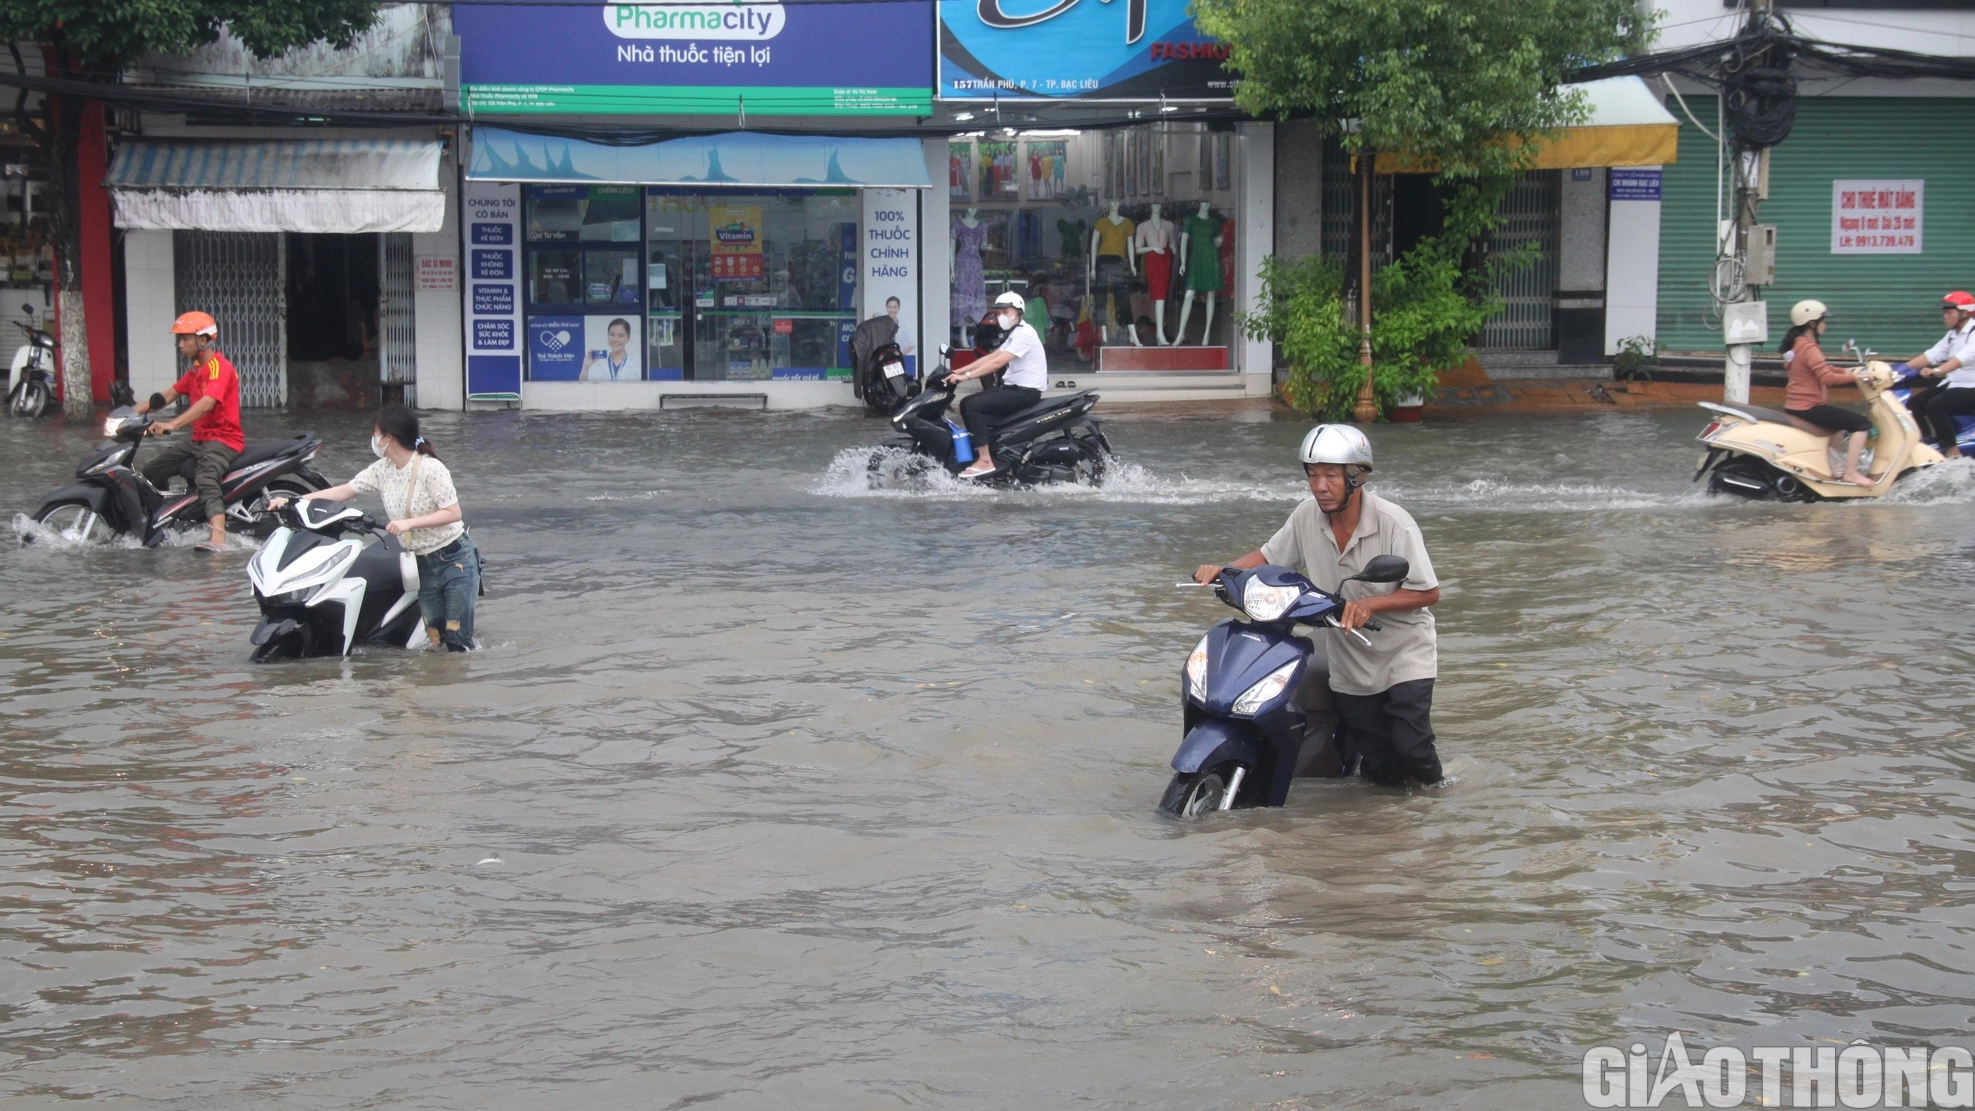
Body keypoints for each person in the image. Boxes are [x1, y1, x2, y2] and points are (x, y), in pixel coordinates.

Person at [1192, 426, 1445, 787]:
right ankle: (1389, 830)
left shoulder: (1395, 524)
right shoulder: (1305, 516)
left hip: (1403, 654)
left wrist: (1371, 604)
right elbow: (1269, 556)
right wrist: (1225, 570)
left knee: (1413, 748)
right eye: (1313, 475)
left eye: (1330, 475)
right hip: (1349, 656)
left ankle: (1436, 806)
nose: (1319, 486)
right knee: (1378, 765)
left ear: (1356, 477)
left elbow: (1428, 592)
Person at [278, 406, 480, 652]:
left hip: (454, 557)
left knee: (458, 640)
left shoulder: (431, 469)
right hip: (421, 564)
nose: (374, 439)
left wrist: (409, 523)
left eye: (376, 433)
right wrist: (296, 500)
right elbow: (345, 490)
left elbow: (453, 513)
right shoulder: (382, 469)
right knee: (435, 638)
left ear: (389, 437)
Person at [133, 311, 243, 553]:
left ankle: (218, 539)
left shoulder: (219, 368)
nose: (180, 345)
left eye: (186, 339)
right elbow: (168, 395)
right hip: (199, 440)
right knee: (149, 472)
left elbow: (207, 403)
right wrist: (128, 415)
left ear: (203, 341)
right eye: (179, 339)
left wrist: (172, 424)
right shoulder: (195, 369)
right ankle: (159, 520)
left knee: (206, 478)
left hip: (223, 440)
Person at [947, 290, 1046, 479]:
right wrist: (956, 371)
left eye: (1006, 312)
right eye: (999, 313)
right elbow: (991, 356)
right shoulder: (1015, 333)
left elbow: (996, 364)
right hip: (1014, 388)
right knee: (967, 403)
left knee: (973, 406)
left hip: (1025, 392)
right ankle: (991, 452)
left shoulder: (1024, 334)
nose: (1002, 316)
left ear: (1018, 312)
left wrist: (965, 377)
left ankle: (985, 460)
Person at [1780, 300, 1876, 487]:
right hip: (1808, 407)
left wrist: (1846, 371)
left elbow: (1820, 368)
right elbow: (1827, 378)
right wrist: (1857, 378)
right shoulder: (1809, 347)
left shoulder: (1798, 344)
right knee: (1862, 424)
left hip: (1796, 407)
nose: (1825, 324)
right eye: (1823, 320)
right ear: (1812, 323)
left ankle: (1836, 471)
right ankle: (1851, 473)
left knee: (1838, 427)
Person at [1902, 290, 1975, 459]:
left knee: (1935, 406)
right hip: (1954, 384)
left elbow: (1960, 359)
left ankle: (1952, 451)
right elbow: (1931, 355)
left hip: (1971, 387)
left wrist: (1937, 371)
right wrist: (1898, 369)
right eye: (1945, 313)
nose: (1945, 317)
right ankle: (1926, 444)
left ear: (1964, 313)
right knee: (1914, 404)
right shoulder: (1952, 335)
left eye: (1949, 313)